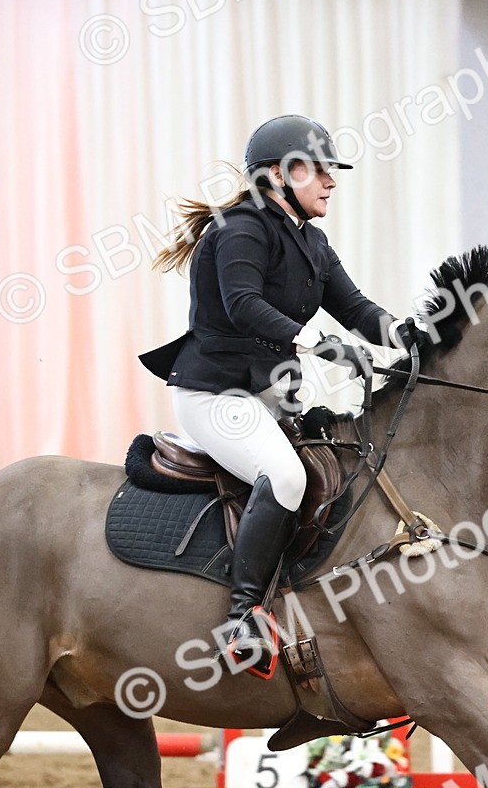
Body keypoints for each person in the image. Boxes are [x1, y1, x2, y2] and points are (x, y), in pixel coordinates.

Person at [138, 115, 430, 665]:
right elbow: (243, 304)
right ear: (278, 175)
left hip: (270, 399)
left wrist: (409, 337)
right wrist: (317, 342)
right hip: (217, 396)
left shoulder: (312, 243)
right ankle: (242, 617)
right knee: (288, 476)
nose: (332, 181)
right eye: (319, 170)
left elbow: (356, 307)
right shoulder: (238, 229)